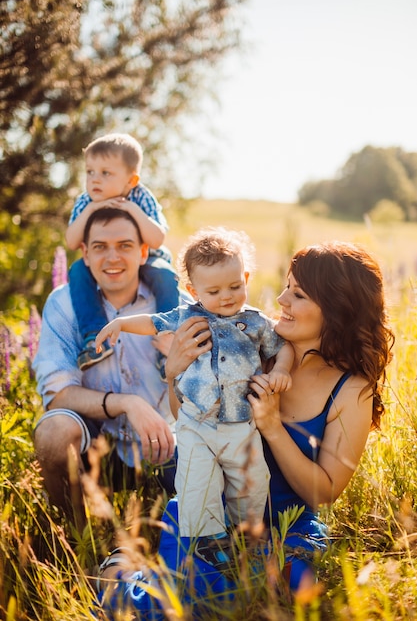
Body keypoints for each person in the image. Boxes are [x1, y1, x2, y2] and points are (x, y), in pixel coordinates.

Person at [95, 239, 394, 617]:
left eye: (298, 294)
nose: (282, 300)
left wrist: (272, 426)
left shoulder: (351, 389)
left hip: (285, 524)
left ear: (337, 308)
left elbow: (324, 492)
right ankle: (121, 575)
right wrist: (173, 374)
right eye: (286, 287)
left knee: (297, 592)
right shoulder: (247, 342)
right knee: (196, 607)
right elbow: (188, 415)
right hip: (211, 510)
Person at [95, 227, 294, 569]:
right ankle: (209, 543)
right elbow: (154, 322)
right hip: (195, 422)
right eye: (214, 290)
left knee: (252, 480)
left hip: (240, 423)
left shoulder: (257, 322)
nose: (227, 296)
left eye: (235, 286)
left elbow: (283, 347)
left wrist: (281, 371)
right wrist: (121, 324)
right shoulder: (188, 315)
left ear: (245, 277)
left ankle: (245, 534)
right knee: (197, 482)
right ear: (193, 291)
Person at [33, 207, 177, 528]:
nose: (112, 257)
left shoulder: (172, 304)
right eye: (100, 247)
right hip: (98, 443)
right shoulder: (65, 303)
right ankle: (79, 543)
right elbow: (56, 395)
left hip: (166, 441)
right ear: (84, 254)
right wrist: (127, 403)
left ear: (143, 252)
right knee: (53, 433)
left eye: (124, 245)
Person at [66, 132, 179, 371]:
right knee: (76, 271)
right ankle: (94, 337)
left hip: (148, 258)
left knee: (165, 276)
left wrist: (132, 210)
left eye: (106, 173)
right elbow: (71, 241)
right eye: (90, 172)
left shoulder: (140, 197)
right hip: (100, 261)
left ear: (131, 181)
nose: (95, 179)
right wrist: (91, 209)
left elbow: (157, 239)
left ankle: (167, 341)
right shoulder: (85, 201)